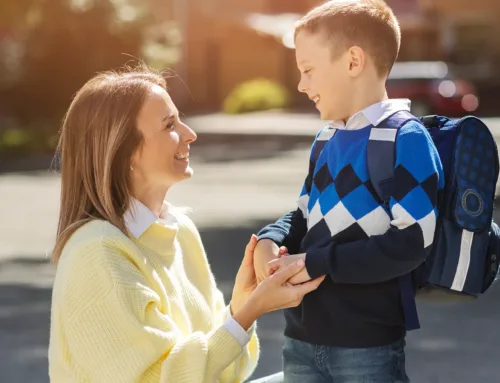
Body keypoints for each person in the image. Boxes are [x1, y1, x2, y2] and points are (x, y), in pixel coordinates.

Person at [48, 65, 325, 383]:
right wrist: (249, 312)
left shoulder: (179, 229)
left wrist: (241, 307)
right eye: (169, 125)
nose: (190, 133)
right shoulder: (96, 253)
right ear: (125, 153)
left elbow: (227, 372)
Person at [253, 1, 444, 382]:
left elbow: (411, 242)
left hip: (367, 347)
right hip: (301, 339)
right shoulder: (325, 140)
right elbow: (304, 215)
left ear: (353, 62)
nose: (301, 85)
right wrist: (269, 238)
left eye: (308, 70)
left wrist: (315, 262)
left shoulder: (405, 139)